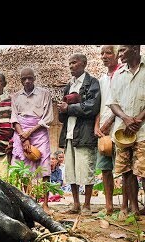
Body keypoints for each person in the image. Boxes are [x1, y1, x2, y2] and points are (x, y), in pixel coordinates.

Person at [57, 54, 101, 216]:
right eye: (69, 63)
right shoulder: (69, 86)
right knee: (71, 171)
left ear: (84, 63)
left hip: (84, 133)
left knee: (86, 169)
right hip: (69, 133)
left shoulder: (92, 83)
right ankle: (76, 204)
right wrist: (62, 109)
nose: (71, 66)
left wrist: (68, 108)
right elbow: (63, 115)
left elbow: (92, 107)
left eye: (74, 62)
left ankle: (87, 205)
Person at [108, 45, 145, 219]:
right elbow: (112, 102)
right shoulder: (118, 74)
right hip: (122, 132)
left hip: (143, 130)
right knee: (126, 171)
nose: (120, 54)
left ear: (135, 50)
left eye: (123, 50)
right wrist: (126, 118)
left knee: (143, 171)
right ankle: (134, 209)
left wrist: (138, 118)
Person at [11, 67, 54, 214]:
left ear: (35, 78)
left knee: (45, 167)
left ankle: (46, 204)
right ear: (21, 80)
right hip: (21, 133)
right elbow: (14, 118)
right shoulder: (15, 96)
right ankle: (28, 202)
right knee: (23, 169)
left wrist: (29, 132)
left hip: (39, 132)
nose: (27, 81)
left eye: (30, 78)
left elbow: (48, 117)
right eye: (24, 78)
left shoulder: (44, 94)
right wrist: (23, 137)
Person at [94, 45, 122, 216]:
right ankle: (109, 206)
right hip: (103, 130)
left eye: (108, 53)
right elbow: (100, 105)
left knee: (125, 169)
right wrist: (97, 125)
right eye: (102, 53)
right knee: (105, 169)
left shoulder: (123, 74)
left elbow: (121, 103)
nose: (104, 56)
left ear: (117, 55)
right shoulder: (102, 79)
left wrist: (110, 121)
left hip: (119, 127)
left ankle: (126, 207)